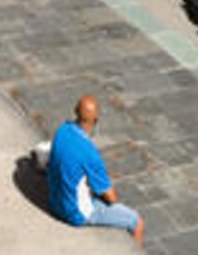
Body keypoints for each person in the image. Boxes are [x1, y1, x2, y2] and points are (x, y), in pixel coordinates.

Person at [45, 95, 145, 244]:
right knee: (136, 222)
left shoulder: (62, 130)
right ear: (95, 120)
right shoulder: (90, 152)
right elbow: (112, 198)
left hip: (54, 201)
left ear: (75, 112)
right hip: (75, 213)